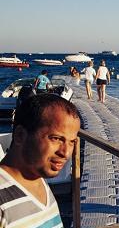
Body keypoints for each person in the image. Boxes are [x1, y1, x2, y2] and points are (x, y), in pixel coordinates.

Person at [0, 93, 81, 227]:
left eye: (72, 142)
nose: (66, 153)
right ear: (20, 135)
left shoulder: (38, 178)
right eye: (56, 139)